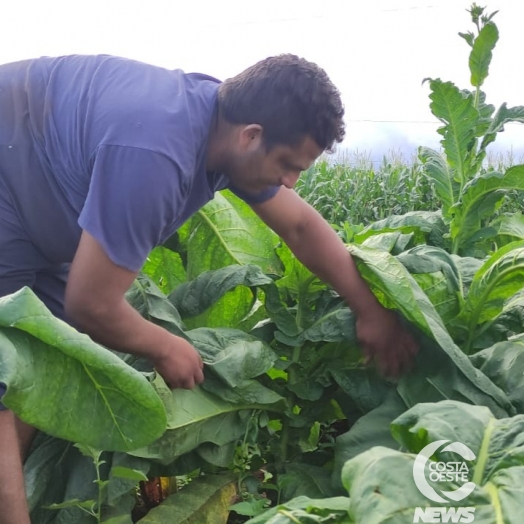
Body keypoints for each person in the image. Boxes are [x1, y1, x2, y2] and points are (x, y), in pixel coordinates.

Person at [0, 53, 418, 523]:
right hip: (9, 184)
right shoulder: (157, 155)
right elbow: (91, 303)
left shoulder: (221, 129)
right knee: (3, 383)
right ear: (252, 136)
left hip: (40, 200)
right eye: (286, 164)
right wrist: (164, 345)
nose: (290, 181)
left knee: (36, 369)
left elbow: (299, 226)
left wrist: (370, 309)